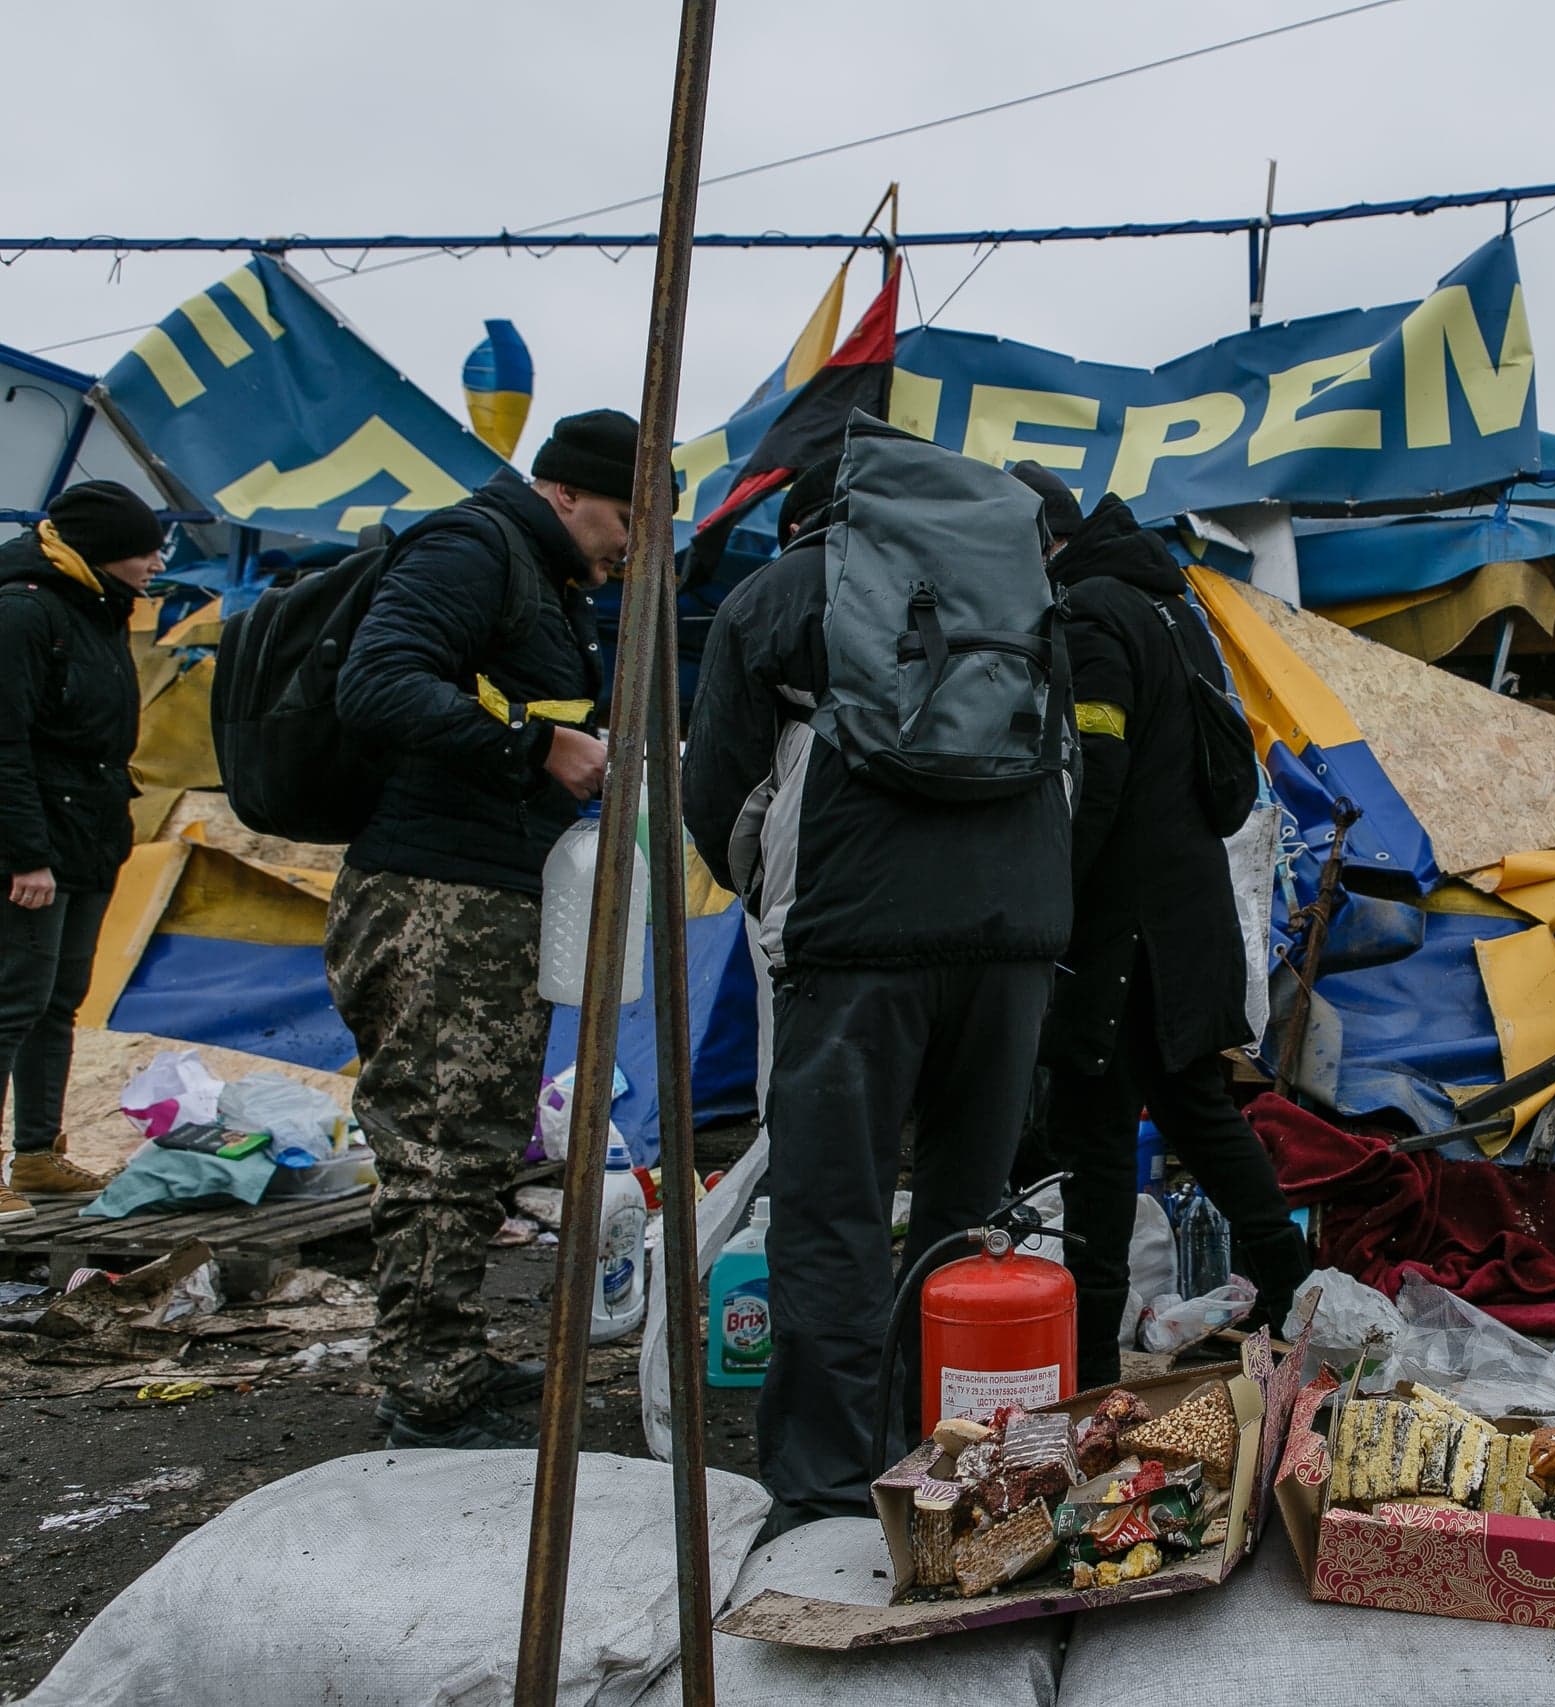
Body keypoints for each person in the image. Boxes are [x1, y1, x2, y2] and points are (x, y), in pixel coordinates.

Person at [684, 417, 1072, 1537]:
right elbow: (1064, 772)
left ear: (808, 512)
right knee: (968, 1219)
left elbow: (720, 788)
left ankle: (820, 1495)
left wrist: (769, 895)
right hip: (1013, 945)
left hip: (851, 948)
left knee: (833, 1219)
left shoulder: (781, 593)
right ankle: (961, 1473)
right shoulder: (1018, 587)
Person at [326, 410, 635, 1449]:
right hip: (431, 898)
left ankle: (448, 1357)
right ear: (564, 493)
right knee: (439, 1144)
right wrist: (534, 747)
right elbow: (376, 684)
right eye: (624, 514)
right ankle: (422, 1387)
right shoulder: (473, 548)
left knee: (476, 1144)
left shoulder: (543, 578)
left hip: (487, 897)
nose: (631, 539)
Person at [1023, 478, 1311, 1390]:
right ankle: (1296, 1296)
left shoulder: (1093, 615)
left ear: (1044, 543)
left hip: (1123, 939)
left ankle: (1091, 1365)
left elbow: (1094, 778)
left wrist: (1049, 903)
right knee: (1199, 1114)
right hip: (1181, 926)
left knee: (1097, 1142)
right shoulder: (1168, 604)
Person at [0, 483, 160, 1213]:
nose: (157, 562)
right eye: (145, 549)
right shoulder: (26, 611)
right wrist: (24, 852)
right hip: (35, 849)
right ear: (102, 551)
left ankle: (37, 1155)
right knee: (12, 1002)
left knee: (59, 1003)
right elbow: (5, 744)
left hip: (89, 838)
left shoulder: (98, 610)